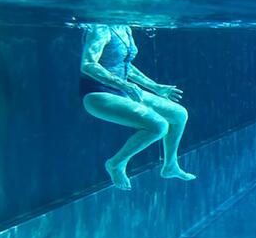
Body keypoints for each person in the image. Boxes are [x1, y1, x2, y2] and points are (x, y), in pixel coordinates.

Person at [80, 24, 195, 190]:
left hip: (123, 89)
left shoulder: (125, 28)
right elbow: (88, 64)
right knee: (159, 126)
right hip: (97, 93)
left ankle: (170, 165)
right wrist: (123, 84)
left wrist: (155, 87)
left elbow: (124, 64)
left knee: (179, 114)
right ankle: (116, 164)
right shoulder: (101, 28)